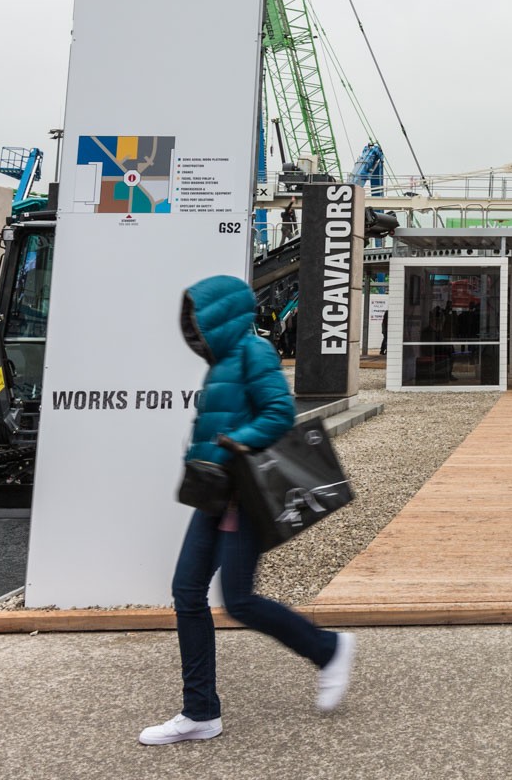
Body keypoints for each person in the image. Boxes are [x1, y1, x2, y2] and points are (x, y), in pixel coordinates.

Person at [140, 275, 357, 746]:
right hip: (215, 492)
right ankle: (200, 713)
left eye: (198, 318)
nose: (192, 328)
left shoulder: (254, 352)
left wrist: (236, 442)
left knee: (237, 600)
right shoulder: (220, 362)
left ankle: (329, 648)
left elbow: (279, 412)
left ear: (220, 316)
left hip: (244, 495)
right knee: (187, 592)